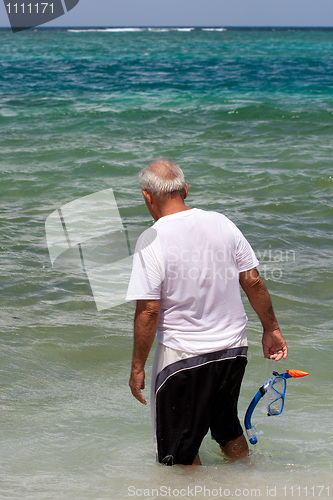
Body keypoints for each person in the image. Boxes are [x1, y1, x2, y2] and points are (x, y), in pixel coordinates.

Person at [126, 160, 288, 466]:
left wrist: (137, 368)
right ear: (185, 189)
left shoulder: (150, 241)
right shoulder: (222, 222)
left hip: (184, 357)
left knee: (177, 455)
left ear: (147, 197)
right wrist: (271, 329)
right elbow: (252, 280)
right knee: (226, 426)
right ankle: (250, 484)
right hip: (232, 349)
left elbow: (148, 311)